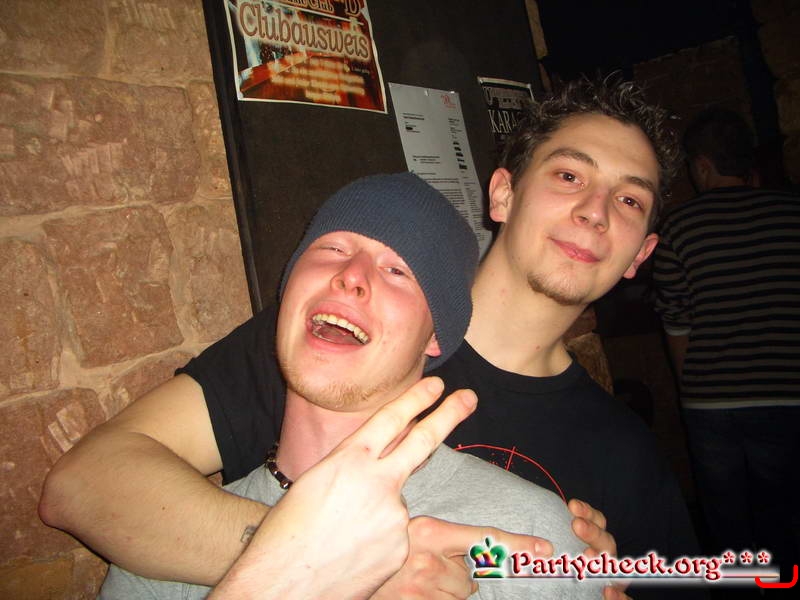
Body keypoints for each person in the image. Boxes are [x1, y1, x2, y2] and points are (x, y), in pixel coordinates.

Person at [39, 77, 687, 599]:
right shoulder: (337, 338)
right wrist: (327, 557)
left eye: (630, 201)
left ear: (642, 252)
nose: (594, 212)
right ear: (503, 194)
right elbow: (87, 484)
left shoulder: (625, 454)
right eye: (569, 176)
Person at [99, 172, 601, 599]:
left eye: (398, 270)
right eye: (332, 248)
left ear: (435, 337)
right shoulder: (158, 556)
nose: (351, 276)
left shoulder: (525, 536)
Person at [652, 106, 800, 589]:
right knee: (786, 515)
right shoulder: (792, 214)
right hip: (789, 395)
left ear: (701, 166)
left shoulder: (679, 227)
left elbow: (677, 322)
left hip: (713, 401)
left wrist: (689, 389)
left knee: (728, 521)